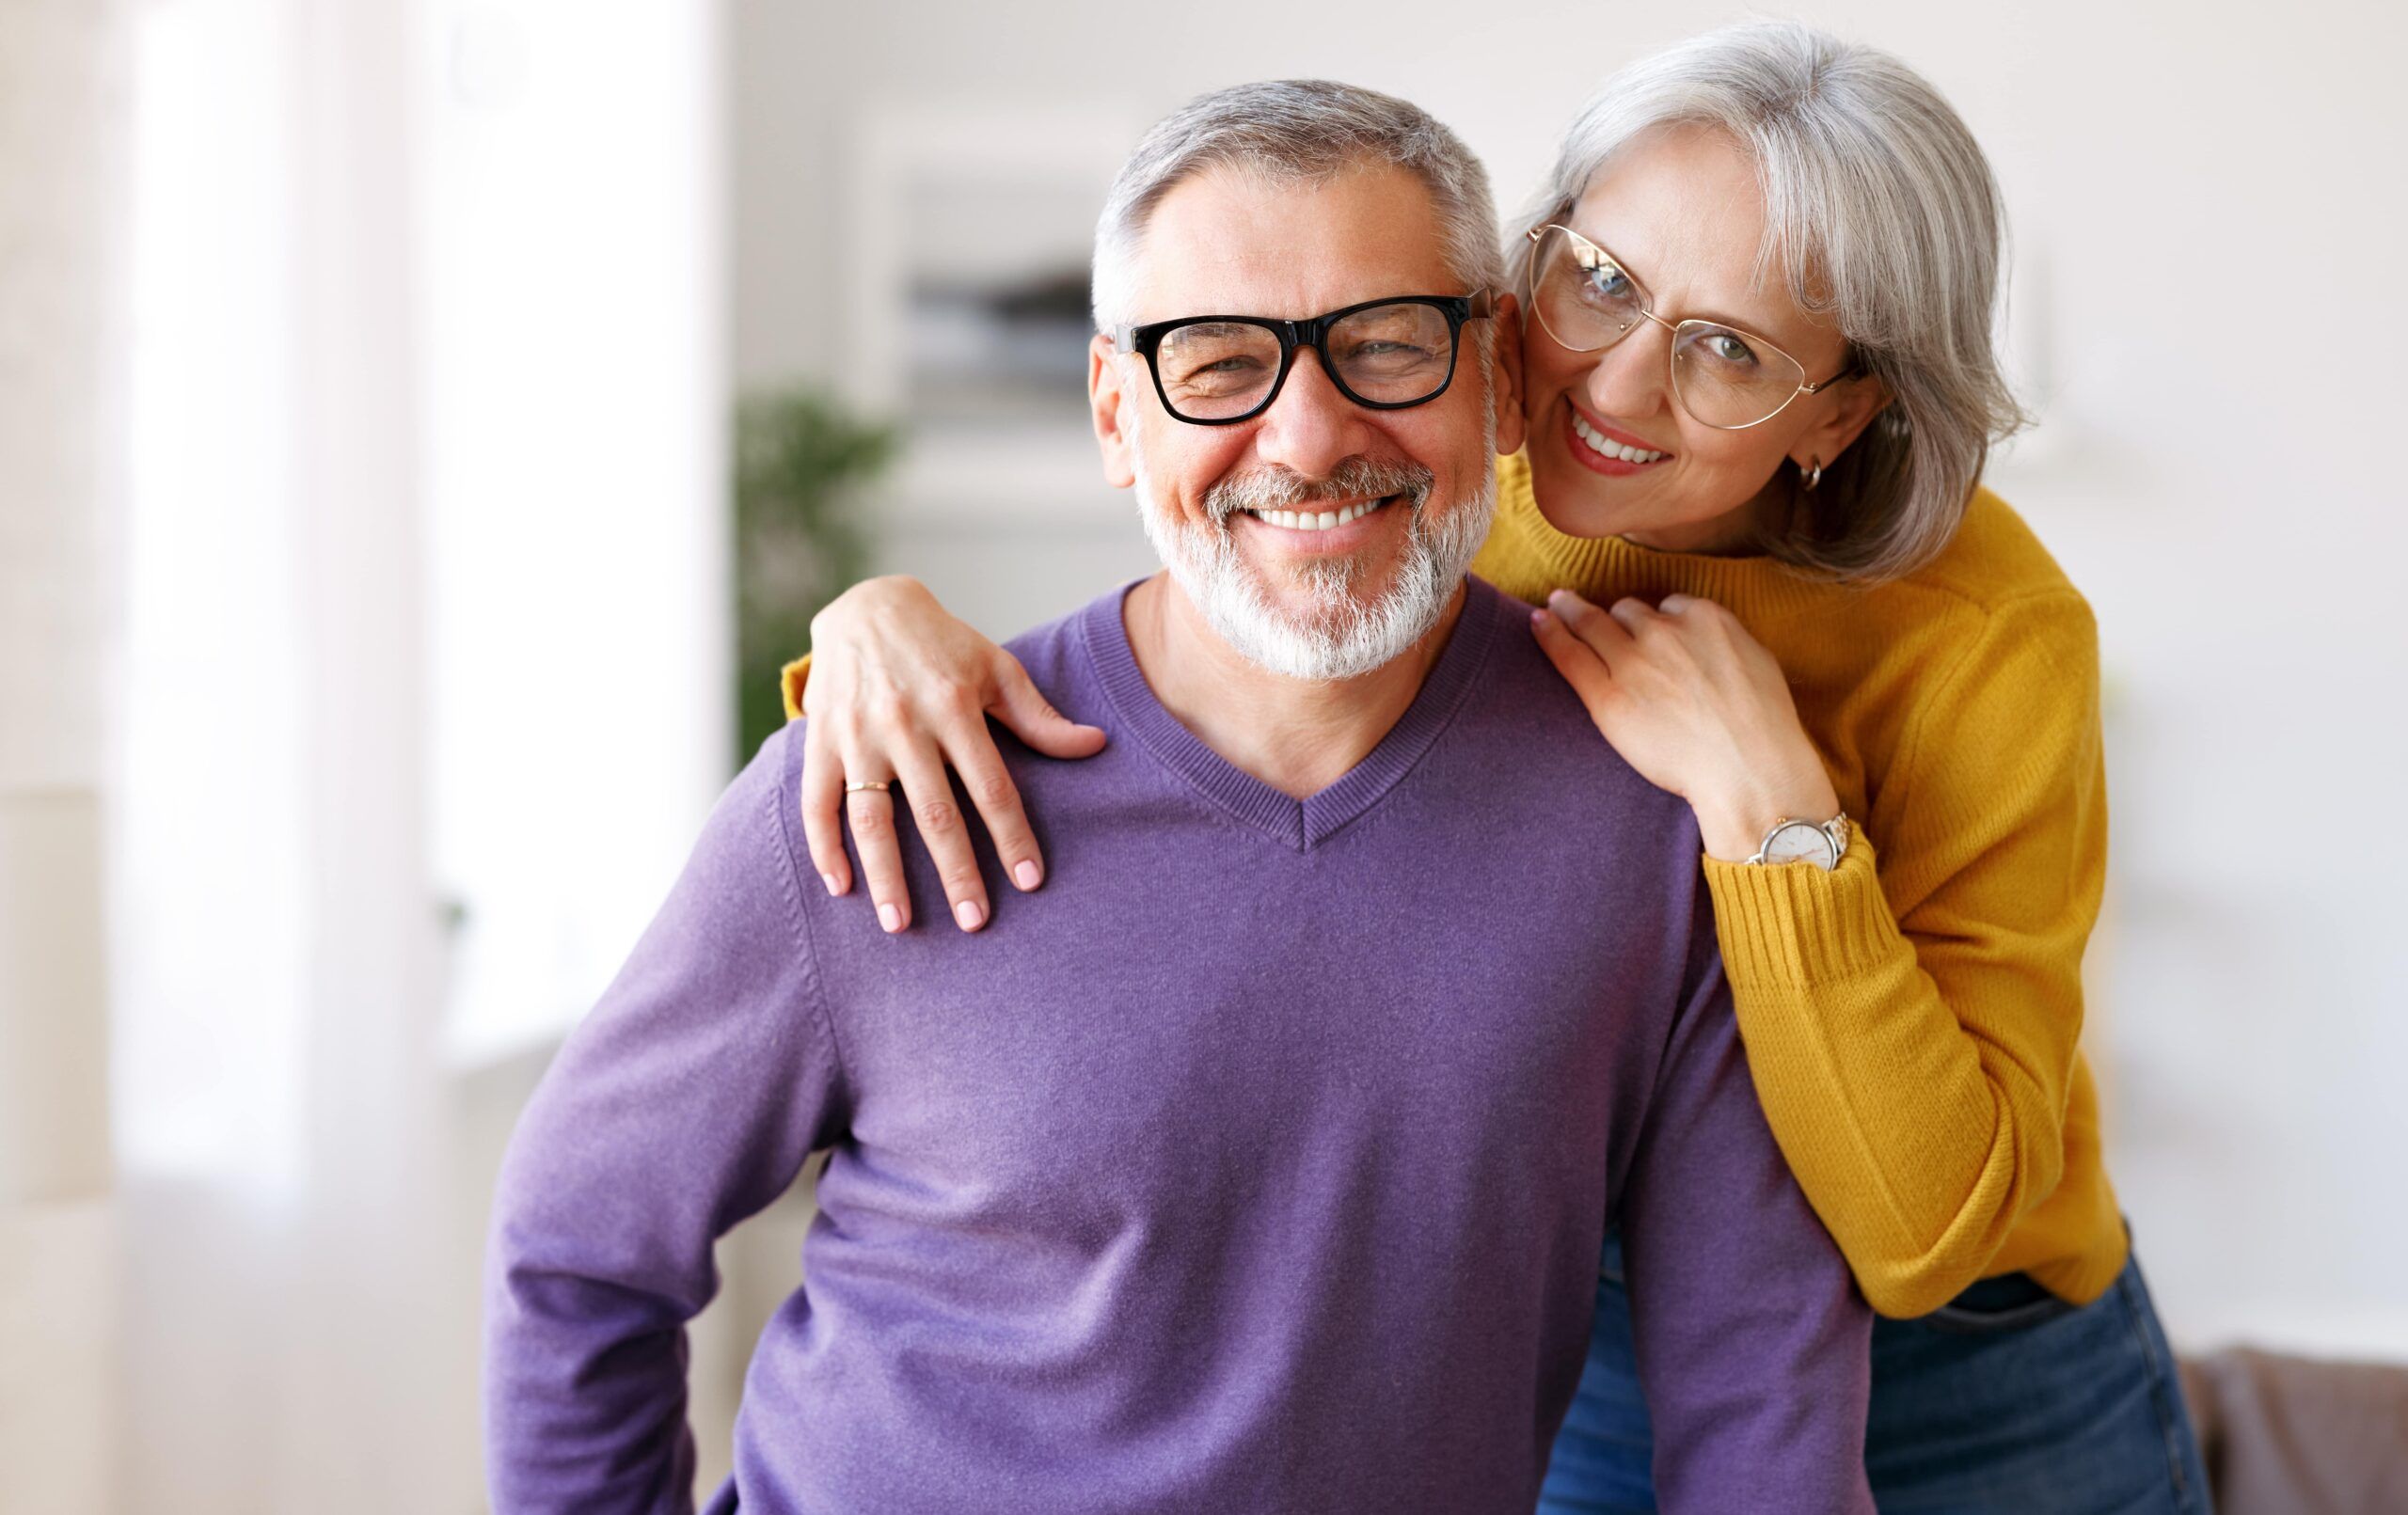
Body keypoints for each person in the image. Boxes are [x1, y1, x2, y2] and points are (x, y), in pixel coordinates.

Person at [778, 23, 2212, 1514]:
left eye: (1730, 349)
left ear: (1842, 412)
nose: (1619, 385)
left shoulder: (1987, 639)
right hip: (1592, 1334)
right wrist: (870, 631)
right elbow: (1197, 642)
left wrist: (1772, 810)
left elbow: (1926, 1239)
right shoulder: (1465, 476)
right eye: (1602, 283)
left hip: (1975, 1376)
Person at [484, 79, 1874, 1515]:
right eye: (1218, 364)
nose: (1308, 436)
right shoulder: (881, 774)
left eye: (1387, 345)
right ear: (1114, 412)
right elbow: (577, 1251)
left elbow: (1760, 1396)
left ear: (1501, 376)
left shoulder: (1654, 815)